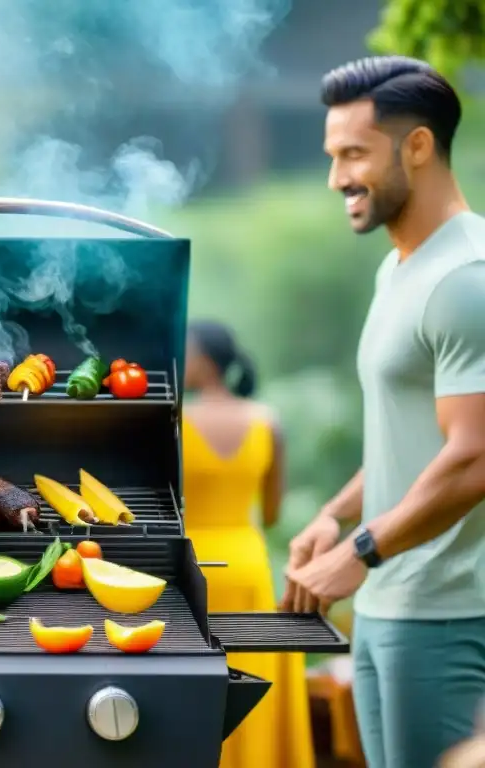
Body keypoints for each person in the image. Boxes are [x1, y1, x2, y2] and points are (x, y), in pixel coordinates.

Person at [282, 55, 485, 768]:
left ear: (418, 146)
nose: (338, 177)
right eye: (333, 155)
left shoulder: (467, 278)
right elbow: (414, 441)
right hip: (388, 602)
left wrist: (359, 551)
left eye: (354, 154)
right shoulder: (399, 267)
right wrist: (335, 515)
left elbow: (474, 457)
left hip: (449, 612)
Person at [182, 320, 315, 768]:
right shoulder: (266, 419)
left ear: (202, 360)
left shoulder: (176, 419)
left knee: (198, 685)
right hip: (248, 560)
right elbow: (273, 513)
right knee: (253, 679)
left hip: (195, 566)